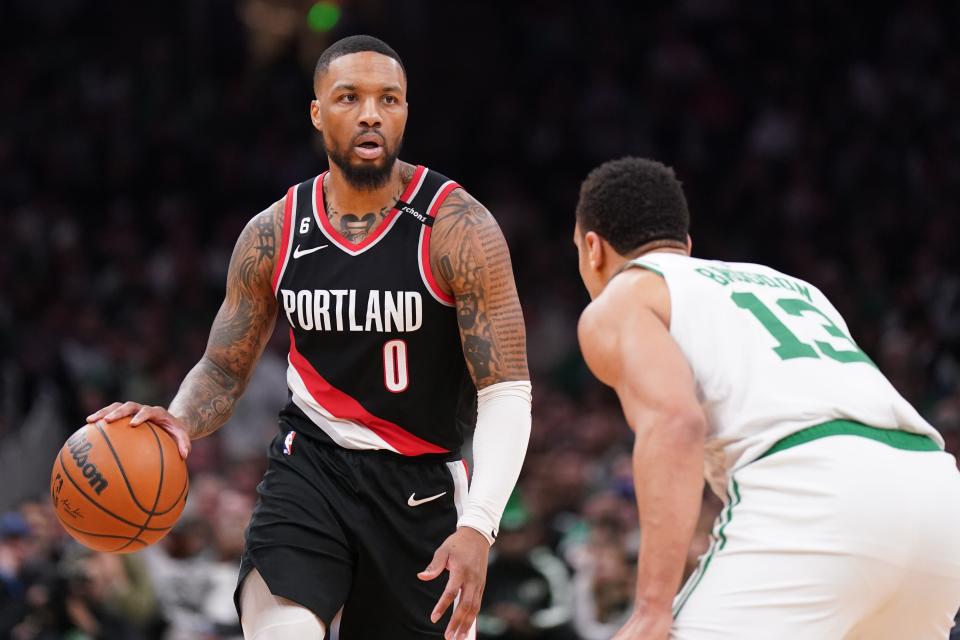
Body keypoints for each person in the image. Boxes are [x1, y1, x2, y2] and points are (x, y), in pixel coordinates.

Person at [86, 35, 532, 640]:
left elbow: (506, 389)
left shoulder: (459, 227)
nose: (371, 113)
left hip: (421, 491)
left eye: (389, 99)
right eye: (349, 97)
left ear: (404, 112)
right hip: (310, 470)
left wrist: (479, 523)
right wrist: (179, 420)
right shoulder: (275, 232)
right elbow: (223, 368)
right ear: (318, 112)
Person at [572, 156, 960, 639]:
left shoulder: (625, 296)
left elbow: (677, 424)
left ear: (592, 248)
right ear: (686, 246)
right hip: (936, 493)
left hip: (816, 494)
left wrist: (652, 606)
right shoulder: (797, 288)